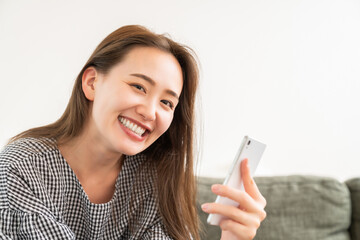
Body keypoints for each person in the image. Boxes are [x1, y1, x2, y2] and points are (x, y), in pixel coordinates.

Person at [0, 25, 266, 239]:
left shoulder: (154, 180)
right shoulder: (21, 169)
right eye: (139, 87)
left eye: (166, 102)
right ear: (92, 83)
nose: (151, 112)